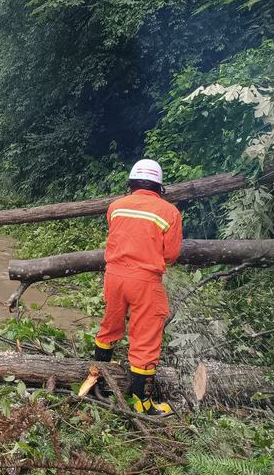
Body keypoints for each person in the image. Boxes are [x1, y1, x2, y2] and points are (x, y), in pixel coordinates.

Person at [94, 159, 182, 415]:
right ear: (159, 187)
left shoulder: (116, 207)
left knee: (109, 327)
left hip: (114, 276)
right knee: (145, 339)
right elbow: (172, 253)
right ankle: (142, 405)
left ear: (130, 184)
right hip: (145, 281)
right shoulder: (169, 213)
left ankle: (98, 380)